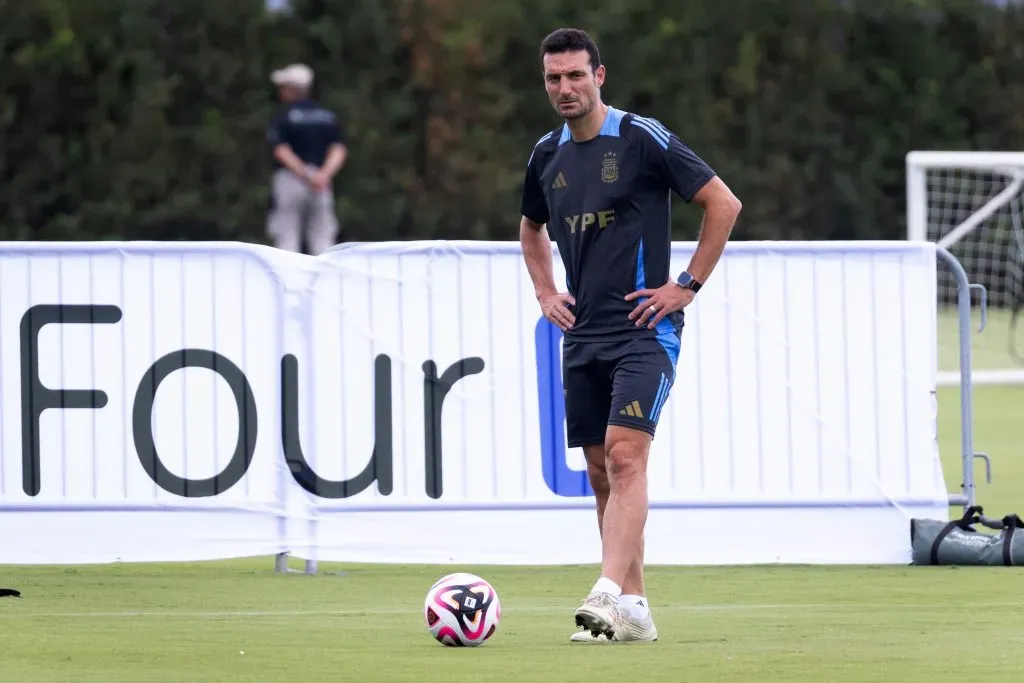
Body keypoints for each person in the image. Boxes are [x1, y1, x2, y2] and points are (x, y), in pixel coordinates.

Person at [518, 28, 742, 643]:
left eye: (575, 76)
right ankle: (636, 609)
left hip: (646, 329)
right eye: (553, 79)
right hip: (583, 332)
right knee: (598, 471)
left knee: (625, 455)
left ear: (600, 75)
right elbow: (530, 230)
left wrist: (685, 286)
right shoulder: (546, 154)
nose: (564, 88)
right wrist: (545, 293)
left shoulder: (641, 138)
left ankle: (606, 590)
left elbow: (723, 203)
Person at [266, 63, 348, 255]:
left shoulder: (283, 116)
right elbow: (338, 149)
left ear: (291, 90)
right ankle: (324, 279)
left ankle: (287, 281)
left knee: (287, 236)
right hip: (321, 181)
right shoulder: (327, 116)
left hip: (291, 178)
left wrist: (304, 174)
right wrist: (323, 175)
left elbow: (281, 150)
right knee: (323, 237)